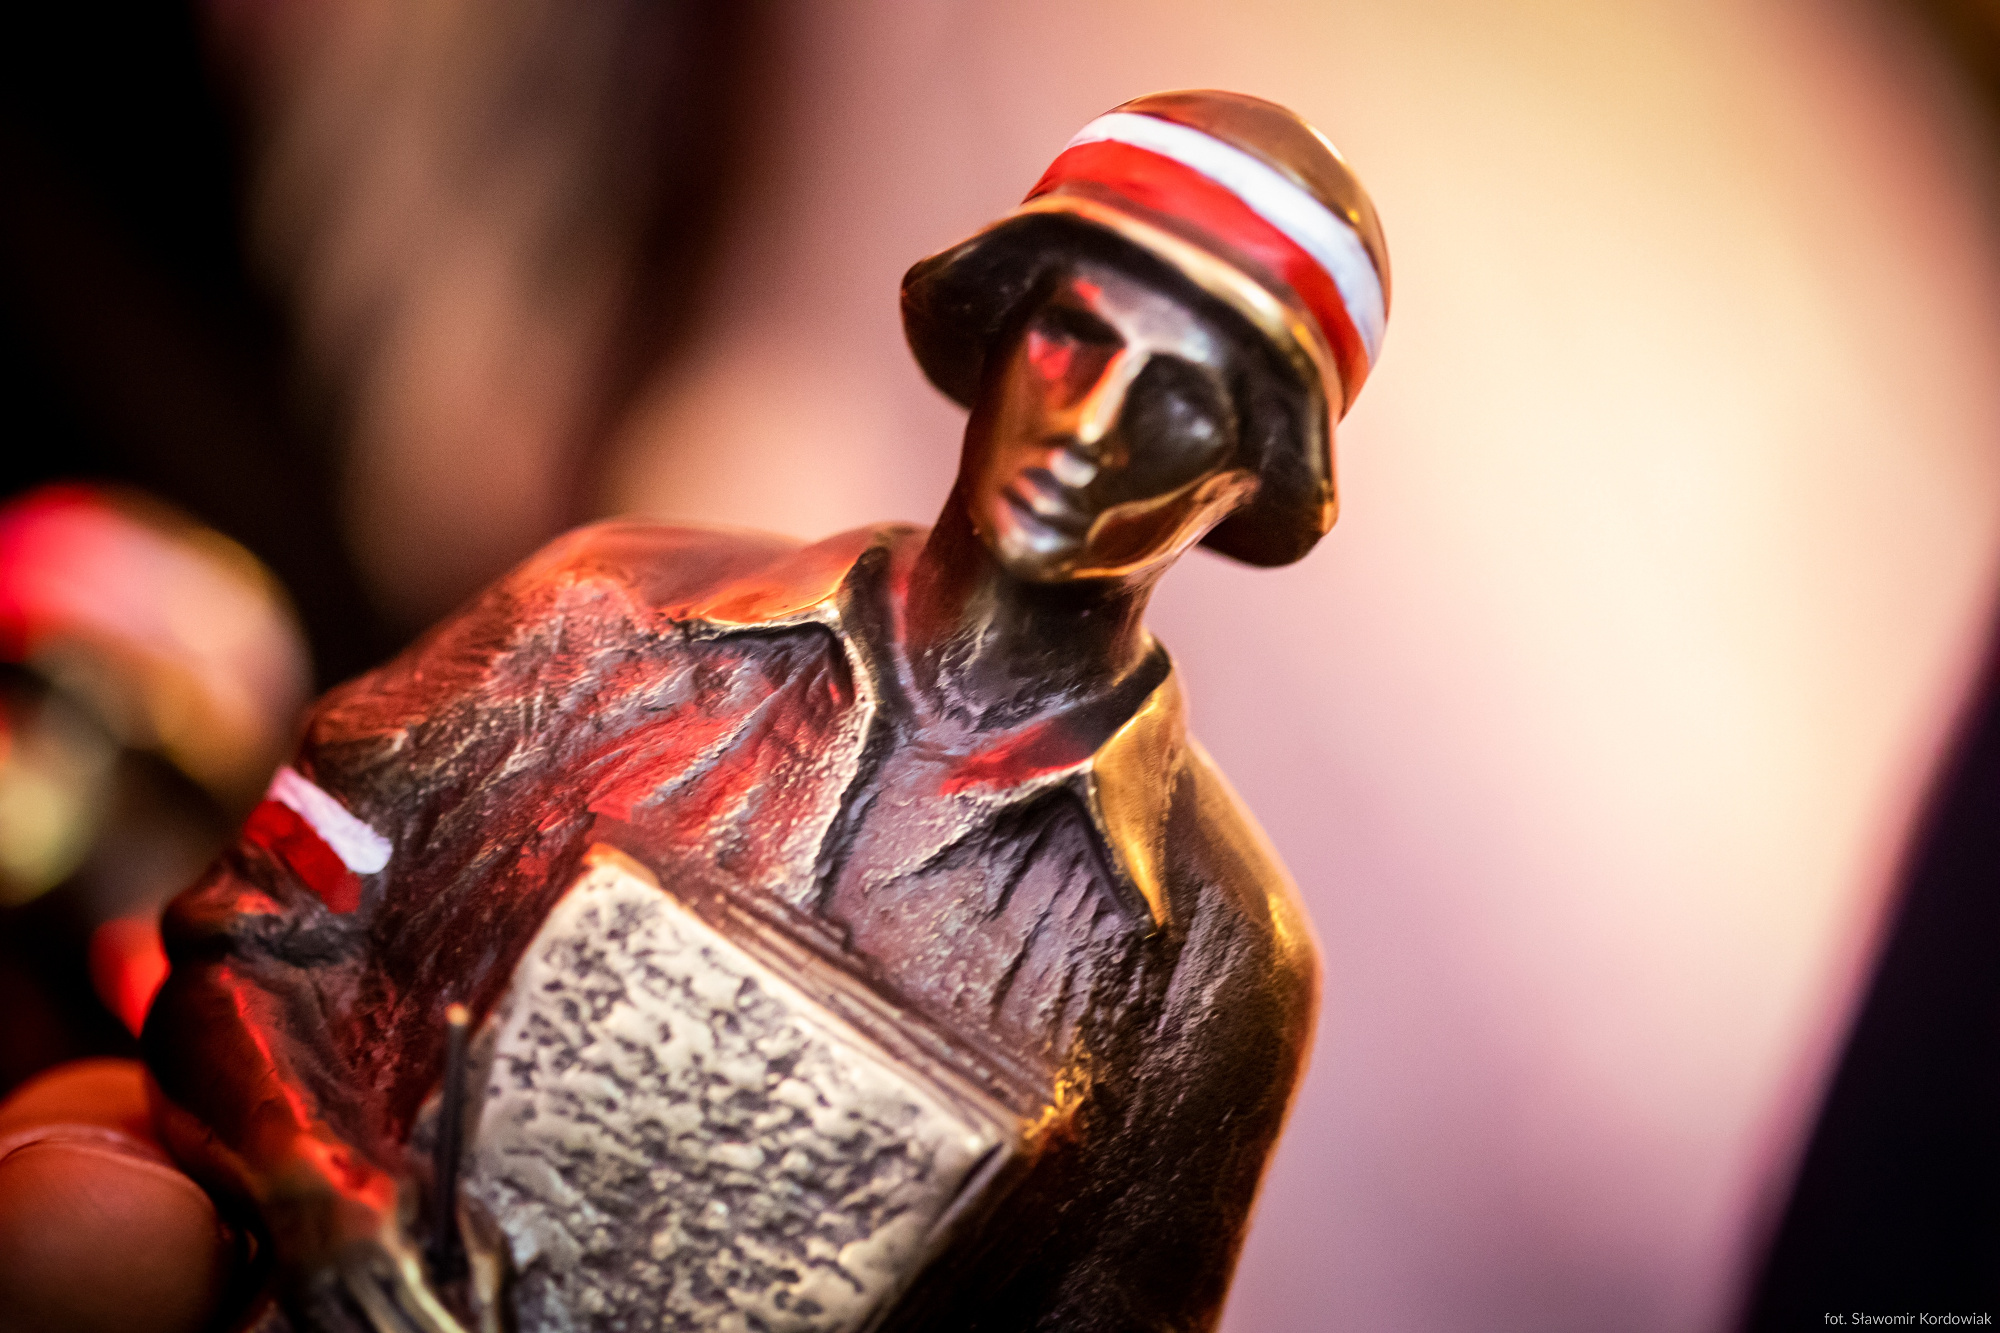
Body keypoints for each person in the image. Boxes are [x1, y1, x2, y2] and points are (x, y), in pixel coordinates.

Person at [134, 89, 1390, 1333]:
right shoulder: (603, 612)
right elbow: (254, 931)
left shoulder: (1215, 973)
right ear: (1002, 322)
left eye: (1182, 402)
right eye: (1073, 334)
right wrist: (310, 1185)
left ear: (1249, 478)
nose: (1089, 428)